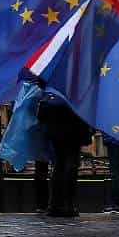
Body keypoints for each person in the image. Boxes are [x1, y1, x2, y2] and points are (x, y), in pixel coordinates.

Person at [37, 88, 93, 218]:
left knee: (59, 165)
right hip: (75, 129)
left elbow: (41, 114)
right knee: (71, 166)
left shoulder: (52, 85)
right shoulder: (80, 83)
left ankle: (55, 205)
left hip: (57, 130)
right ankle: (69, 205)